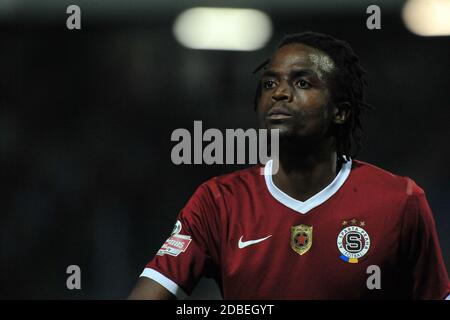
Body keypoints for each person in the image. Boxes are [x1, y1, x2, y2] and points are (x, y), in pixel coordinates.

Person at [128, 31, 450, 299]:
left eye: (302, 83)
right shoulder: (218, 201)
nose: (280, 93)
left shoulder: (400, 202)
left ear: (340, 111)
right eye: (270, 84)